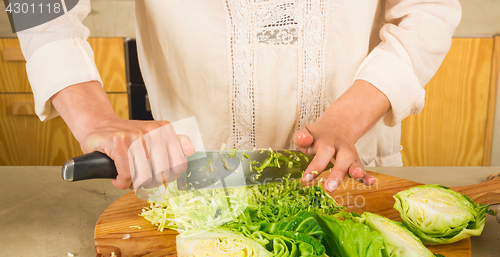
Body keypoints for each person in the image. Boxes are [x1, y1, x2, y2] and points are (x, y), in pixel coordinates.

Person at [17, 0, 462, 192]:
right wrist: (95, 118)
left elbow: (430, 9)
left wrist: (346, 120)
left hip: (348, 173)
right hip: (197, 183)